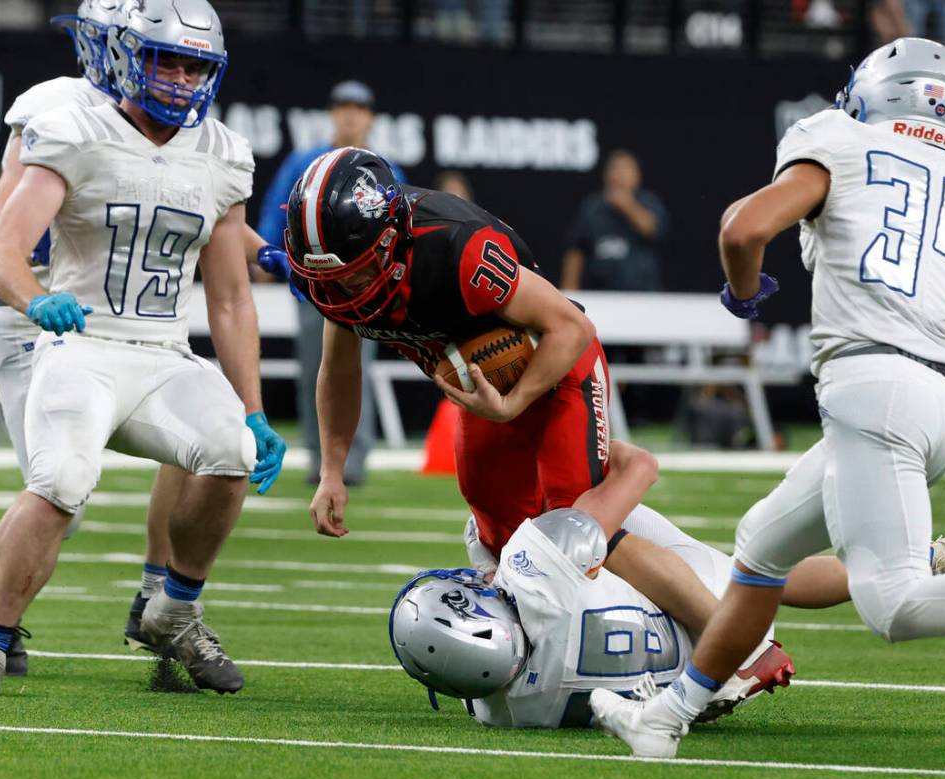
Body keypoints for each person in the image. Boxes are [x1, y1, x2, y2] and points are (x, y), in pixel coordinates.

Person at [590, 37, 945, 759]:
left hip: (873, 392)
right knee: (761, 548)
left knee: (893, 603)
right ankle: (666, 718)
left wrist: (743, 293)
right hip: (933, 401)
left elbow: (742, 227)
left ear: (876, 93)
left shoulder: (836, 139)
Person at [0, 0, 286, 697]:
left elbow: (229, 295)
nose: (180, 78)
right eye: (166, 59)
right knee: (62, 486)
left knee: (231, 447)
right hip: (77, 339)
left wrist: (255, 408)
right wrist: (32, 295)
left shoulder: (222, 152)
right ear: (116, 51)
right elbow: (5, 249)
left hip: (163, 350)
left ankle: (171, 609)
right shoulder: (66, 120)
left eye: (195, 64)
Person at [390, 442, 945, 729]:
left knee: (759, 581)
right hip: (693, 613)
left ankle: (936, 560)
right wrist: (563, 438)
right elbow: (640, 468)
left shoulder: (504, 711)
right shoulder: (534, 572)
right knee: (622, 537)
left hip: (669, 676)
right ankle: (742, 648)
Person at [285, 148, 609, 556]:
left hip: (559, 366)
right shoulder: (333, 280)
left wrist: (514, 402)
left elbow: (571, 327)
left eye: (354, 272)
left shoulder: (455, 247)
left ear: (391, 236)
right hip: (483, 386)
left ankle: (636, 491)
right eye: (328, 276)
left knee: (572, 534)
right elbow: (339, 372)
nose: (342, 288)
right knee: (498, 536)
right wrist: (331, 472)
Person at [258, 79, 403, 487]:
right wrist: (273, 258)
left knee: (358, 368)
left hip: (365, 287)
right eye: (342, 107)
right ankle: (319, 457)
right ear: (332, 113)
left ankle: (355, 458)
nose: (350, 115)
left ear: (370, 118)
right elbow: (277, 209)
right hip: (313, 282)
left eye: (358, 108)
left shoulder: (381, 166)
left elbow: (402, 223)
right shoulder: (305, 160)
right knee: (314, 370)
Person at [560, 149, 668, 293]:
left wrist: (628, 207)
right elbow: (576, 250)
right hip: (601, 295)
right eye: (615, 168)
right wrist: (569, 290)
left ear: (637, 175)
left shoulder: (649, 202)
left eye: (625, 169)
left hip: (643, 296)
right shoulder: (592, 207)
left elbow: (653, 230)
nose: (619, 174)